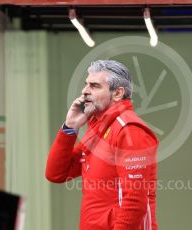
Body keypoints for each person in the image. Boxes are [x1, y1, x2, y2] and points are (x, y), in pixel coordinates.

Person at [45, 60, 159, 230]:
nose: (85, 91)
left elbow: (135, 201)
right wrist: (70, 126)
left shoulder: (130, 130)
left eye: (95, 86)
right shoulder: (97, 129)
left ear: (118, 93)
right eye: (86, 84)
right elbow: (56, 173)